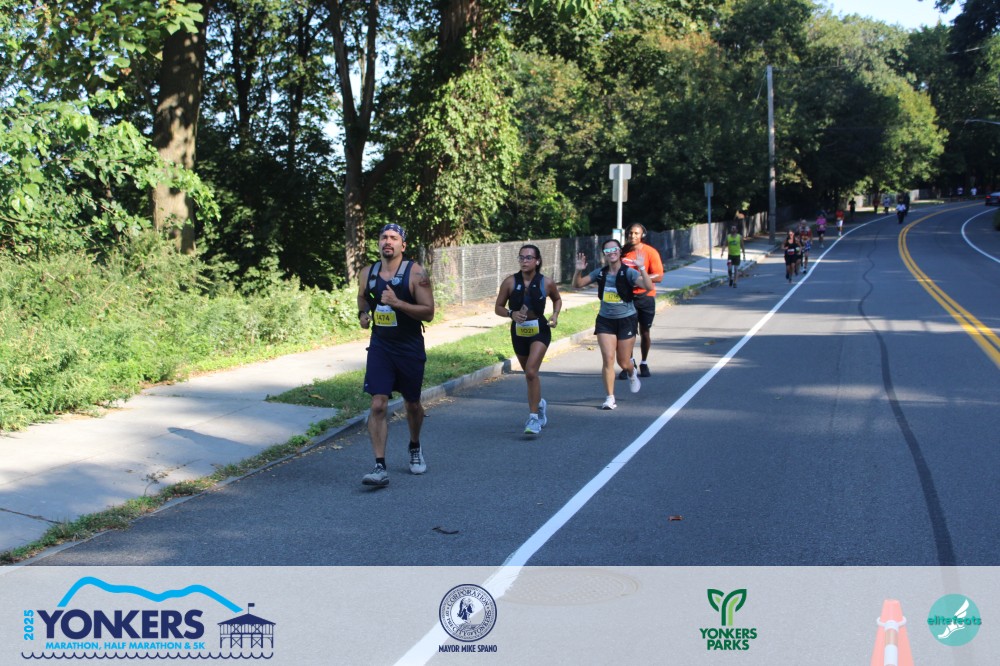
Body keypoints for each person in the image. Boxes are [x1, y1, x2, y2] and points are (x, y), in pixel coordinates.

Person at [356, 223, 435, 487]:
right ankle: (379, 466)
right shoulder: (367, 273)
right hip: (380, 345)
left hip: (409, 347)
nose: (387, 241)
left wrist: (398, 303)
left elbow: (429, 312)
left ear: (403, 245)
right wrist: (363, 314)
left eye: (393, 238)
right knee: (378, 404)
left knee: (412, 404)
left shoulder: (416, 273)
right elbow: (362, 297)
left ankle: (414, 445)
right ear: (378, 243)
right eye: (383, 237)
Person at [574, 239, 653, 410]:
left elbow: (648, 286)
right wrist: (578, 270)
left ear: (619, 252)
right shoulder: (600, 273)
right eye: (607, 251)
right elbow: (577, 284)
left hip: (626, 320)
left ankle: (631, 371)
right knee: (608, 359)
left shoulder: (629, 273)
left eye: (614, 249)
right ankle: (610, 398)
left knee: (623, 362)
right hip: (605, 321)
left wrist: (641, 268)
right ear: (604, 254)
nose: (611, 253)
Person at [494, 244, 562, 435]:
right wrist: (511, 313)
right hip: (518, 331)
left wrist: (555, 314)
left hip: (539, 329)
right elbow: (498, 307)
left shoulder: (546, 282)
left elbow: (557, 299)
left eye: (528, 258)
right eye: (521, 257)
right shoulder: (510, 282)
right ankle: (539, 404)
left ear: (537, 261)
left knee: (531, 371)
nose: (524, 261)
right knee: (529, 374)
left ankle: (533, 418)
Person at [619, 224, 663, 378]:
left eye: (636, 233)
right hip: (626, 297)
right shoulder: (623, 252)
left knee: (644, 331)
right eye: (630, 233)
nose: (633, 236)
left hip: (645, 296)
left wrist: (638, 279)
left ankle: (644, 362)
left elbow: (659, 276)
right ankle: (629, 364)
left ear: (642, 235)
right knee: (627, 333)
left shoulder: (650, 252)